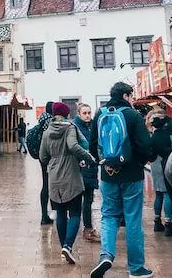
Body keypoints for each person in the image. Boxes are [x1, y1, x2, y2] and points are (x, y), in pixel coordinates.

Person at [90, 82, 154, 278]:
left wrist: (106, 163)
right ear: (126, 96)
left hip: (108, 175)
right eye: (131, 96)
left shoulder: (100, 114)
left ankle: (106, 255)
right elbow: (145, 146)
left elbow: (93, 145)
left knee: (109, 215)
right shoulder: (133, 115)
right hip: (132, 175)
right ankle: (136, 268)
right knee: (133, 219)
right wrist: (139, 163)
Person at [40, 101, 95, 264]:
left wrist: (54, 160)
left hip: (54, 176)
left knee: (61, 212)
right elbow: (73, 145)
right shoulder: (70, 127)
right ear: (66, 114)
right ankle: (68, 246)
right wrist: (88, 156)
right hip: (71, 173)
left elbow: (43, 156)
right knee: (75, 212)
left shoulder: (47, 131)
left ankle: (64, 247)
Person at [147, 108, 172, 247]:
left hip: (155, 164)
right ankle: (168, 223)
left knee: (158, 193)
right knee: (168, 194)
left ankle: (157, 221)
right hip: (167, 164)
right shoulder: (170, 131)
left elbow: (150, 153)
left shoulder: (153, 134)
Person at [73, 103, 100, 243]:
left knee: (88, 200)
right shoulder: (76, 128)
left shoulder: (90, 126)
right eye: (84, 113)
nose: (88, 115)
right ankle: (85, 228)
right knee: (82, 200)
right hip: (81, 168)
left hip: (90, 168)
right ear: (79, 114)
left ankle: (87, 228)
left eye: (89, 112)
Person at [38, 101, 55, 225]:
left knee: (45, 185)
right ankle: (52, 215)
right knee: (52, 186)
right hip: (51, 157)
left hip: (42, 156)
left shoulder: (42, 120)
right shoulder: (51, 122)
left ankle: (44, 215)